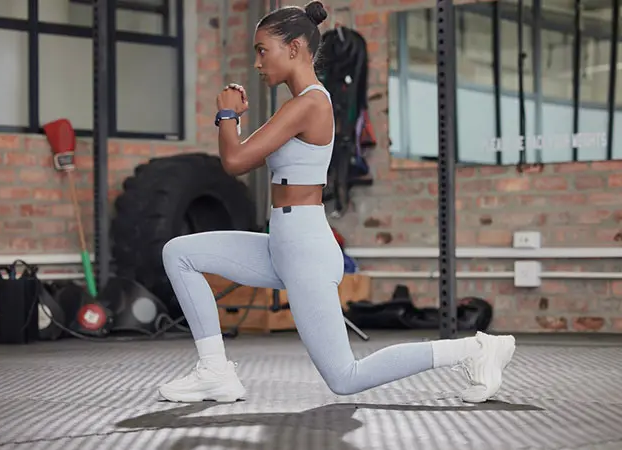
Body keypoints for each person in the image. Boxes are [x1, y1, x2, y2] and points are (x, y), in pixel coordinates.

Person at [158, 1, 516, 404]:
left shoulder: (309, 103)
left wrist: (226, 112)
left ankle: (477, 350)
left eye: (263, 50)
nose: (257, 62)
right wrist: (232, 120)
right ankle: (215, 371)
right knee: (180, 253)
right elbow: (243, 155)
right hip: (284, 242)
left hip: (304, 247)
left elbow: (234, 160)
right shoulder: (295, 107)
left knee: (345, 377)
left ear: (293, 48)